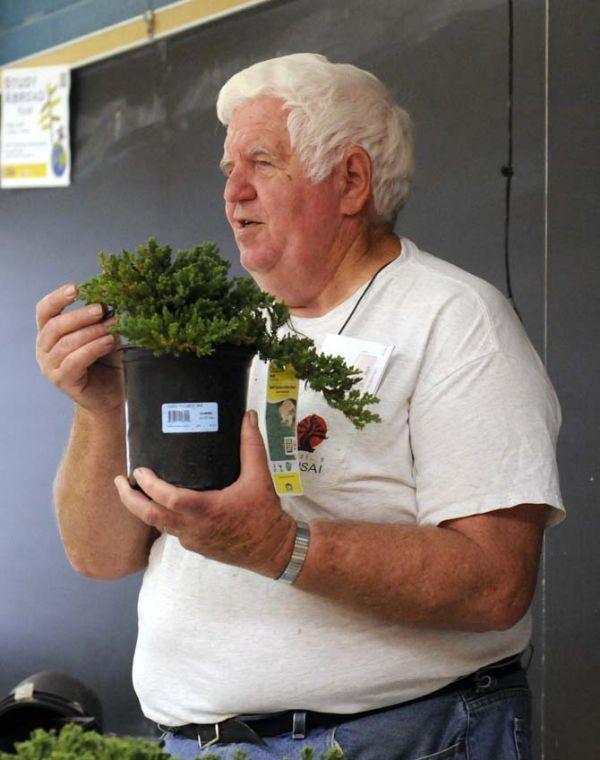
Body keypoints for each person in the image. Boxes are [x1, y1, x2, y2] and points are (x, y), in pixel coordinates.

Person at [35, 54, 565, 760]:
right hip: (195, 743)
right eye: (227, 169)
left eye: (261, 162)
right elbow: (100, 557)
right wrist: (102, 409)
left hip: (397, 739)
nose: (233, 193)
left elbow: (497, 584)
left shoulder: (454, 318)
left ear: (350, 181)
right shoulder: (221, 331)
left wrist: (280, 547)